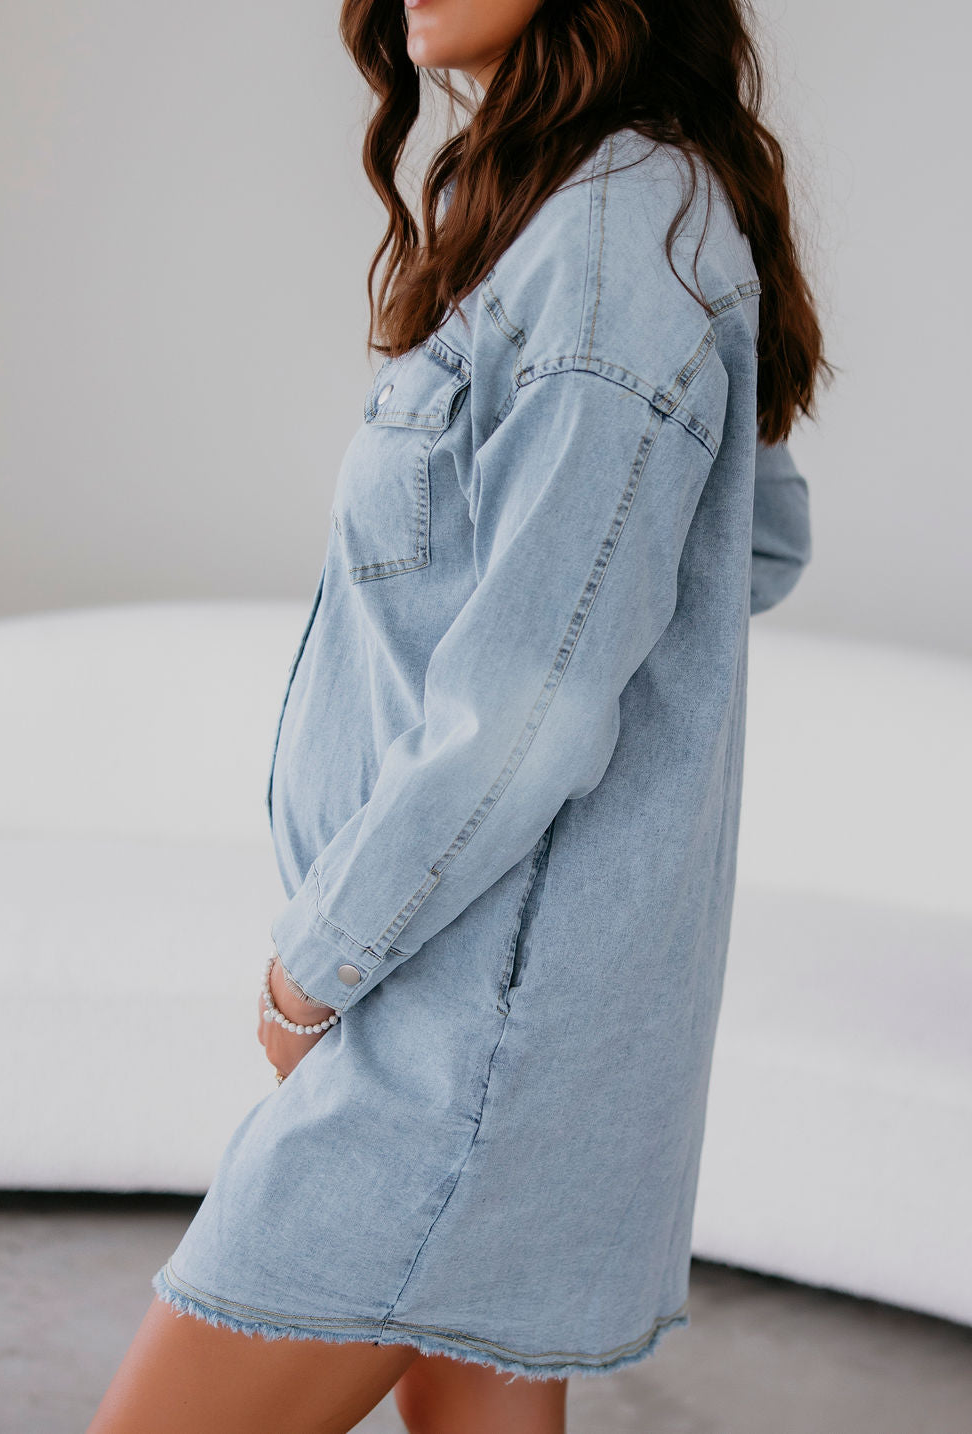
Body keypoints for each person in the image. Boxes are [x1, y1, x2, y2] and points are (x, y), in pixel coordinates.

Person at [88, 0, 829, 1430]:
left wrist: (313, 968)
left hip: (460, 1032)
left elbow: (528, 711)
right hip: (492, 1005)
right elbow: (749, 539)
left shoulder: (615, 238)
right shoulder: (592, 208)